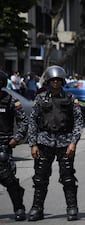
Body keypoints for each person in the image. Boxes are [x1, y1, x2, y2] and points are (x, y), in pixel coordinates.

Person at [27, 65, 83, 221]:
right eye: (53, 80)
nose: (56, 83)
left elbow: (79, 121)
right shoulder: (40, 99)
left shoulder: (71, 99)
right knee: (40, 178)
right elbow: (32, 122)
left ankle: (72, 208)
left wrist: (73, 142)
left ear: (62, 81)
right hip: (44, 142)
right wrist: (33, 144)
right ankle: (37, 209)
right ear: (48, 82)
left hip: (65, 142)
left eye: (58, 80)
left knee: (68, 177)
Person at [0, 70, 28, 221]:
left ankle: (19, 207)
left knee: (8, 178)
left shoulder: (11, 101)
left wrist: (16, 138)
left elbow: (24, 121)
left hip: (4, 144)